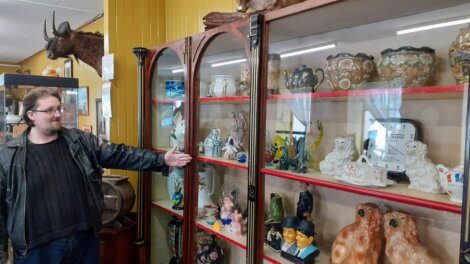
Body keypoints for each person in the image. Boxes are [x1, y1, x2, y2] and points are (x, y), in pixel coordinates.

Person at [0, 88, 192, 264]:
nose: (58, 114)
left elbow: (118, 153)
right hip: (37, 250)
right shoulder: (8, 155)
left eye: (59, 108)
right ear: (31, 115)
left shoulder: (79, 140)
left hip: (83, 241)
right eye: (49, 110)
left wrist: (161, 159)